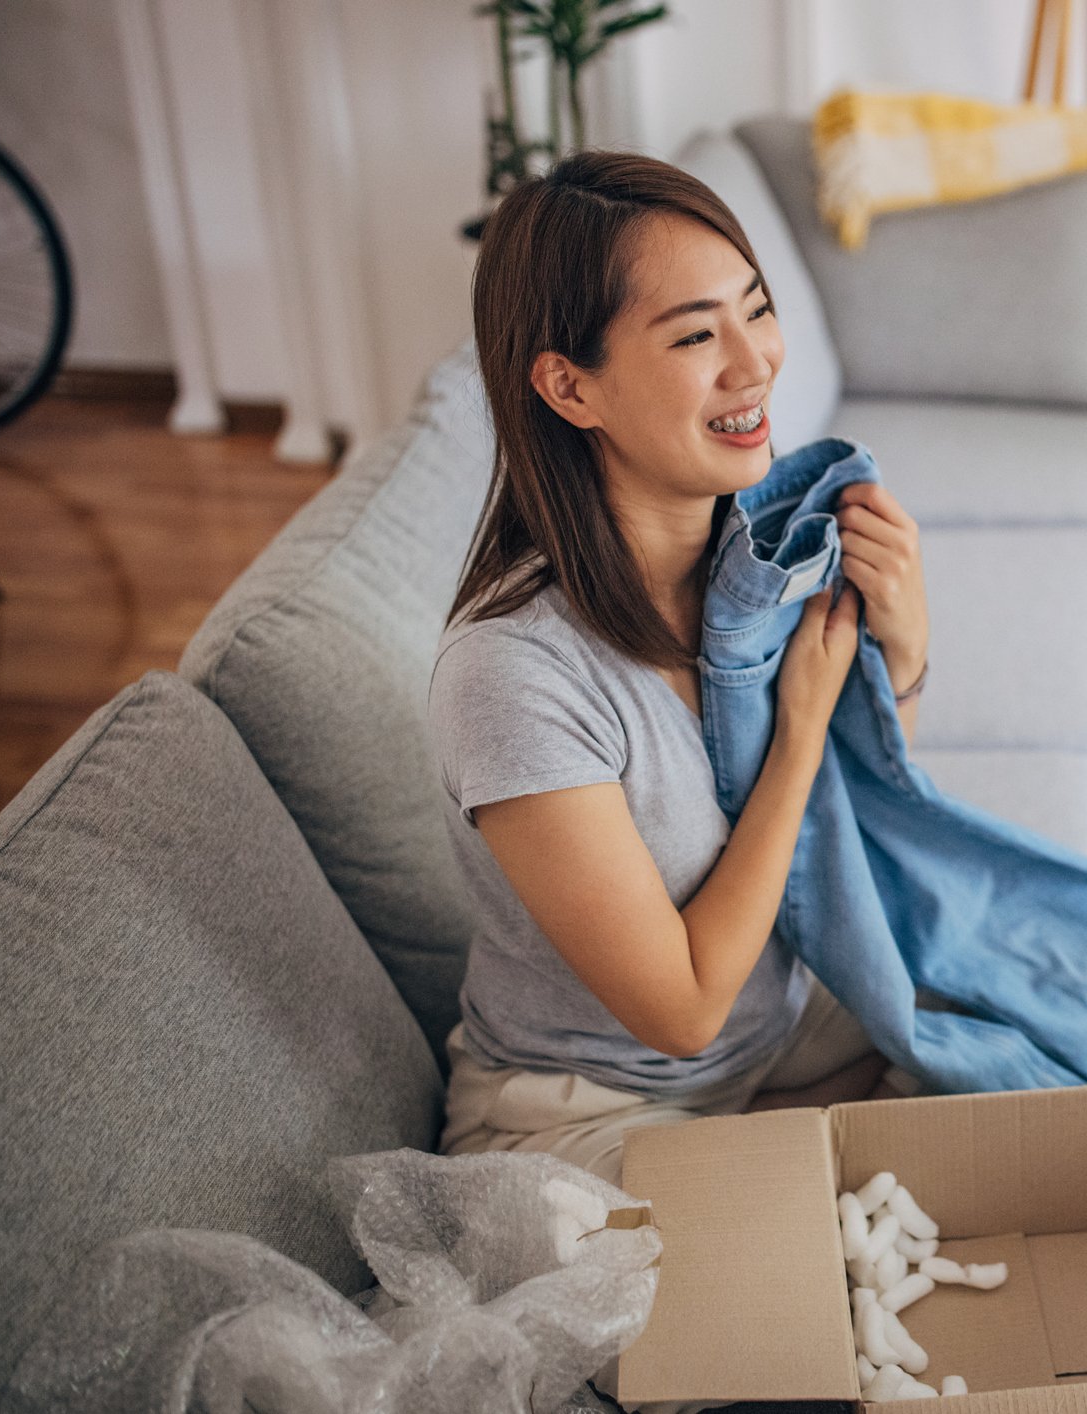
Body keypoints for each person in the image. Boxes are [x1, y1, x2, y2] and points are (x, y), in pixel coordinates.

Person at [428, 150, 932, 1187]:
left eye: (756, 310)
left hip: (774, 1040)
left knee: (1044, 1024)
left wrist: (905, 654)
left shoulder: (749, 565)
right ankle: (790, 1140)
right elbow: (681, 1007)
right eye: (697, 335)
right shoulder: (511, 676)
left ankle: (793, 1126)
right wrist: (796, 738)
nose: (754, 364)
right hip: (595, 1109)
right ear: (570, 386)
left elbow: (843, 837)